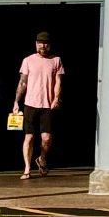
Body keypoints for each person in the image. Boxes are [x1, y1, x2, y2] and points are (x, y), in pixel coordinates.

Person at [13, 32, 64, 180]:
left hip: (47, 104)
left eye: (45, 43)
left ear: (50, 45)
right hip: (30, 103)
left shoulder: (56, 60)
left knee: (46, 138)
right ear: (36, 44)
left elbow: (58, 82)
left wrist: (56, 98)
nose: (43, 46)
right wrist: (16, 101)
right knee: (29, 137)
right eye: (40, 43)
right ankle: (27, 168)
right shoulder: (28, 60)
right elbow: (22, 82)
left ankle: (42, 158)